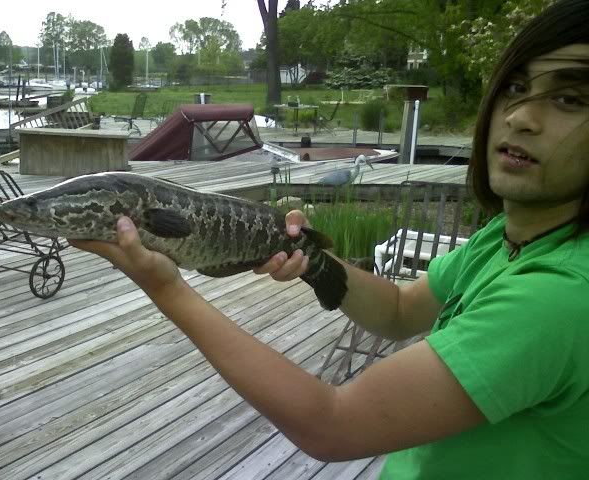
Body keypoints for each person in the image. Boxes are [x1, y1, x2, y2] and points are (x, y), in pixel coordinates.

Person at [71, 0, 589, 477]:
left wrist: (166, 287)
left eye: (569, 98)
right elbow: (401, 310)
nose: (521, 116)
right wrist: (310, 259)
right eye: (515, 88)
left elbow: (333, 423)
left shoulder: (556, 298)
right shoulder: (510, 236)